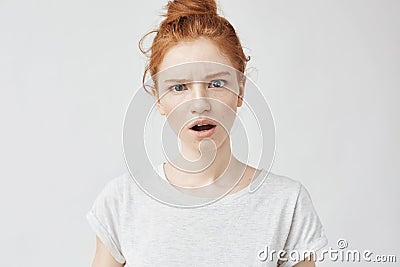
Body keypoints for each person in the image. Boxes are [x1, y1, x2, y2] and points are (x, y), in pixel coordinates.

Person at [86, 0, 328, 266]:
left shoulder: (286, 203)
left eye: (216, 83)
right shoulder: (122, 201)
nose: (200, 103)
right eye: (179, 87)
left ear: (241, 91)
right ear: (158, 99)